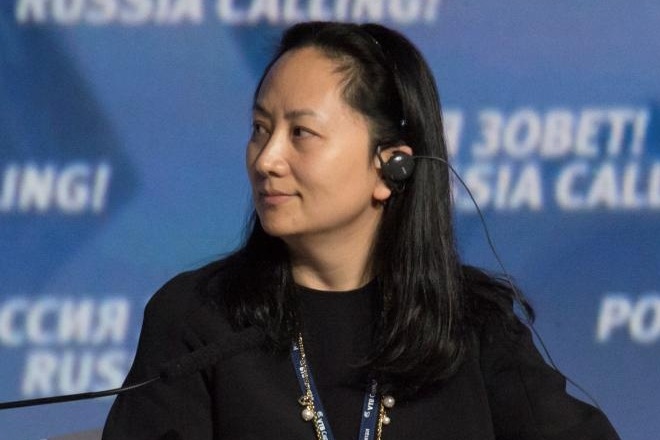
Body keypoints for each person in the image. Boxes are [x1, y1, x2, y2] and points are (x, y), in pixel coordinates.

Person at [102, 21, 620, 440]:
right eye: (260, 128)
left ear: (390, 166)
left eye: (301, 133)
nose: (266, 159)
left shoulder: (471, 324)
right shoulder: (197, 319)